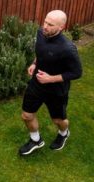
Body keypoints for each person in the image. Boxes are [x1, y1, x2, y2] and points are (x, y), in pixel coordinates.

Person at [19, 10, 82, 155]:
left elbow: (77, 73)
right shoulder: (41, 33)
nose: (45, 26)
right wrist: (35, 63)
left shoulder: (68, 49)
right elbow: (41, 52)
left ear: (61, 27)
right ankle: (36, 140)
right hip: (36, 84)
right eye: (45, 21)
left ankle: (64, 133)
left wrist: (50, 78)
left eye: (50, 24)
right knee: (26, 115)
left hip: (56, 90)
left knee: (58, 120)